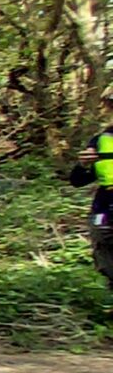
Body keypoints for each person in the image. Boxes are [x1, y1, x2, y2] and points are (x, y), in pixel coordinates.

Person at [78, 123, 113, 287]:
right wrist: (83, 164)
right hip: (105, 206)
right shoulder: (101, 140)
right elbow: (78, 180)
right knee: (103, 247)